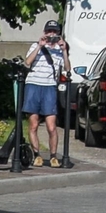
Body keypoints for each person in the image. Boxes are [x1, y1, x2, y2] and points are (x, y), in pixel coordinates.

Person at [21, 22, 68, 168]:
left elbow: (67, 68)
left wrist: (64, 50)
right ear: (44, 32)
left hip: (49, 88)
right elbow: (27, 62)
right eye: (49, 31)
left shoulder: (59, 51)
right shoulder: (36, 46)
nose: (51, 34)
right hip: (33, 86)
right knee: (33, 124)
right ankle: (37, 155)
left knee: (51, 126)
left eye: (54, 31)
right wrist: (40, 46)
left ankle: (53, 156)